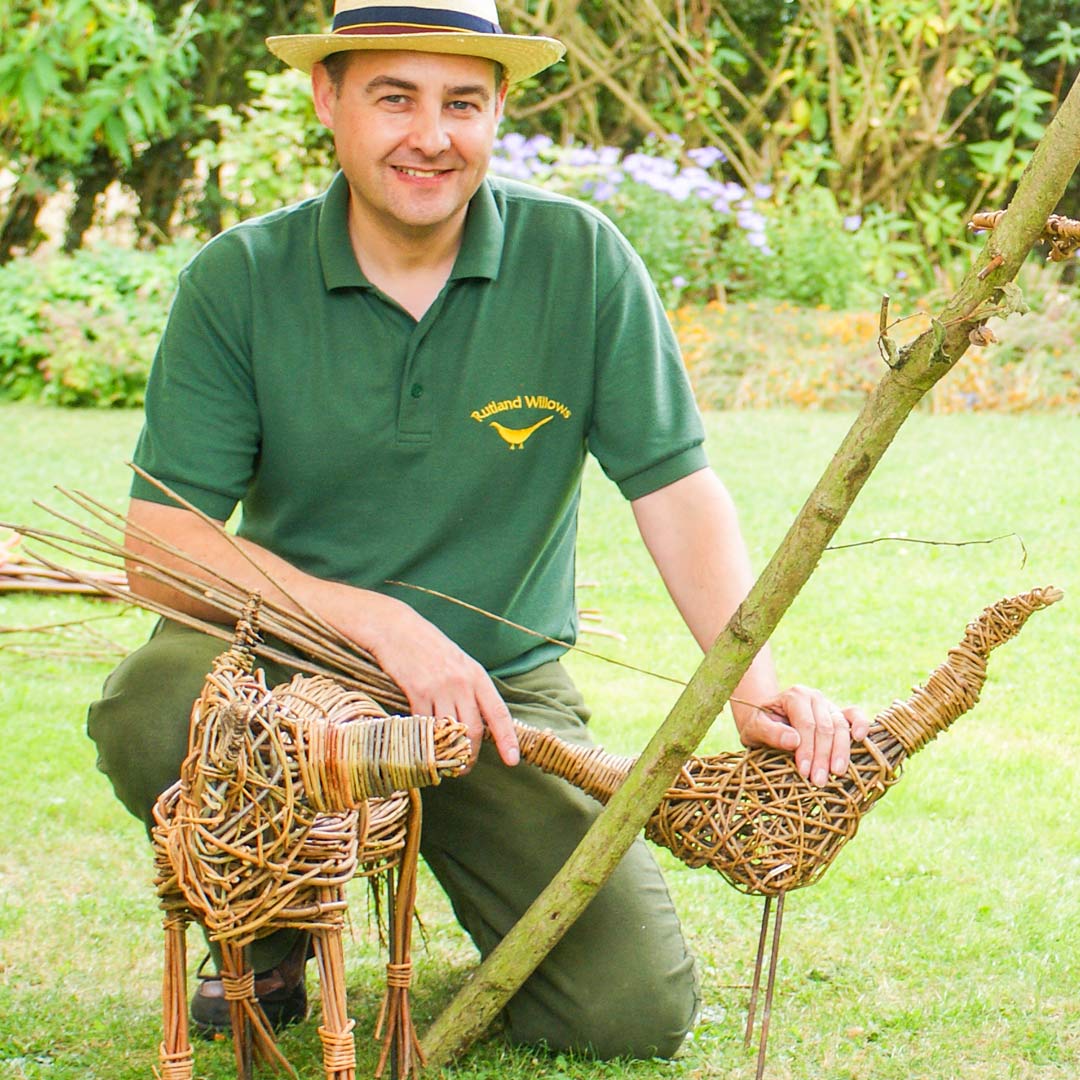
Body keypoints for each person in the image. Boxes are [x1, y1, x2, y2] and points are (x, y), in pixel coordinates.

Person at [88, 0, 868, 1060]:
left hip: (500, 700)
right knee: (153, 704)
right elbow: (163, 545)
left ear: (500, 107)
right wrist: (381, 628)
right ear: (329, 98)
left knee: (628, 1014)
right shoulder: (240, 280)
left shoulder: (580, 262)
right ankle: (267, 932)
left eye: (463, 101)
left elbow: (675, 491)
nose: (431, 134)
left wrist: (754, 682)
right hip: (283, 675)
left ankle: (470, 907)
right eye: (394, 97)